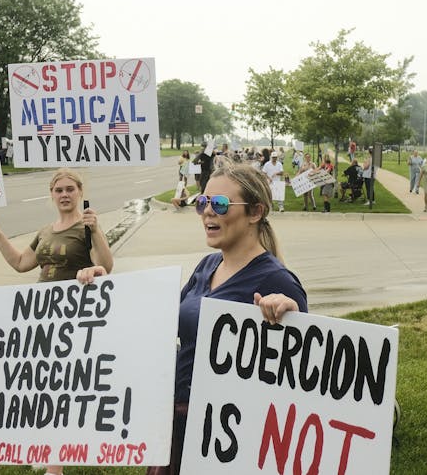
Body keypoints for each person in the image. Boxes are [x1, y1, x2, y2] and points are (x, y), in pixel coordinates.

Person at [76, 163, 308, 475]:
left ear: (255, 212)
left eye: (220, 204)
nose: (208, 212)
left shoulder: (276, 280)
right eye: (202, 203)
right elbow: (163, 321)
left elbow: (304, 370)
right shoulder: (207, 265)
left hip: (228, 435)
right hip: (179, 420)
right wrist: (107, 288)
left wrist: (289, 311)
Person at [0, 168, 114, 475]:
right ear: (52, 195)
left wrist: (96, 231)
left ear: (80, 192)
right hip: (41, 319)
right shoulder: (45, 232)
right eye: (59, 190)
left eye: (70, 189)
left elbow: (106, 265)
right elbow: (20, 263)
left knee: (61, 389)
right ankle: (49, 448)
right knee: (43, 387)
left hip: (74, 319)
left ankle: (54, 467)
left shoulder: (87, 227)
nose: (64, 194)